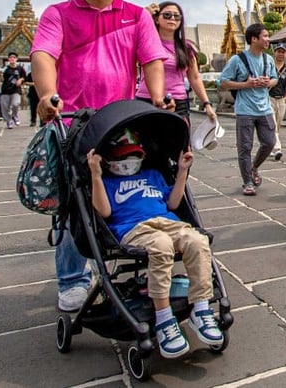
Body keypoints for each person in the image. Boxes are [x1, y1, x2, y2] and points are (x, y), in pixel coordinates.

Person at [32, 0, 168, 313]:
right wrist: (47, 95)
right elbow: (43, 54)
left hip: (118, 122)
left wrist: (157, 97)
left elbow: (152, 58)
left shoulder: (136, 14)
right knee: (73, 199)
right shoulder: (58, 14)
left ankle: (131, 258)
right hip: (73, 120)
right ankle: (73, 278)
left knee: (121, 191)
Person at [88, 128, 223, 358]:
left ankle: (200, 308)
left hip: (166, 221)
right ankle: (163, 318)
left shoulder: (152, 175)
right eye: (122, 157)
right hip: (134, 228)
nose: (128, 162)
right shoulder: (109, 182)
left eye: (133, 156)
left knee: (197, 240)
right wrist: (96, 175)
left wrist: (181, 172)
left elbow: (172, 203)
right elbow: (104, 210)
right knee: (161, 245)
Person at [219, 23, 278, 197]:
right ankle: (247, 182)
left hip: (265, 108)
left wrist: (268, 82)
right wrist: (246, 84)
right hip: (245, 109)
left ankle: (254, 167)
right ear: (254, 39)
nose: (268, 39)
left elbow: (275, 79)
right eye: (265, 36)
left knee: (269, 142)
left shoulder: (269, 59)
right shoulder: (238, 60)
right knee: (245, 147)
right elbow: (222, 82)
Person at [138, 1, 217, 130]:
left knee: (180, 145)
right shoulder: (146, 42)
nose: (172, 19)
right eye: (167, 15)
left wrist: (207, 104)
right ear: (157, 19)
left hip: (178, 101)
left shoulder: (186, 47)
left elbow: (195, 78)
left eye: (177, 16)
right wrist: (144, 15)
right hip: (147, 100)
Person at [269, 43, 286, 161]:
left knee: (277, 126)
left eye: (283, 52)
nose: (280, 54)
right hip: (269, 98)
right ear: (274, 53)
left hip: (282, 99)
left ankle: (269, 146)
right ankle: (277, 149)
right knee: (272, 124)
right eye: (278, 51)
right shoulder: (269, 66)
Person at [0, 52, 26, 128]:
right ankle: (9, 121)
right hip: (5, 90)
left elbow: (24, 77)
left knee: (16, 104)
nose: (12, 59)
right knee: (5, 107)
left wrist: (20, 80)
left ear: (16, 59)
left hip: (16, 90)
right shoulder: (5, 68)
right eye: (10, 57)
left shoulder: (20, 68)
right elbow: (1, 79)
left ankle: (14, 115)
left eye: (14, 57)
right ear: (8, 59)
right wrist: (0, 75)